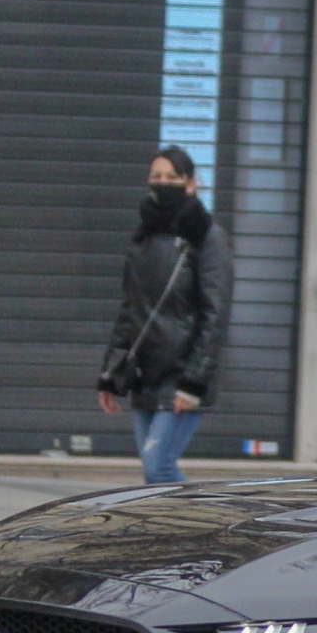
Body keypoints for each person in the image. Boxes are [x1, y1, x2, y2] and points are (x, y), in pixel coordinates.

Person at [98, 146, 234, 484]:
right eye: (156, 177)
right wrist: (110, 373)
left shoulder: (207, 237)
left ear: (190, 184)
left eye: (171, 177)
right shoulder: (144, 236)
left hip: (181, 375)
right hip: (145, 373)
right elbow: (130, 308)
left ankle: (203, 528)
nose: (162, 183)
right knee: (153, 475)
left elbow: (214, 314)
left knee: (159, 467)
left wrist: (193, 383)